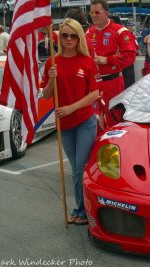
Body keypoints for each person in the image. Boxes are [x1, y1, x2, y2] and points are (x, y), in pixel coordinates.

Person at [41, 19, 101, 225]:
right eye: (64, 35)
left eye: (73, 35)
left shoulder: (87, 61)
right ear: (59, 38)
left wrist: (71, 108)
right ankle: (80, 208)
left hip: (84, 120)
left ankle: (83, 211)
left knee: (80, 167)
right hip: (64, 124)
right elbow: (47, 95)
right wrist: (50, 79)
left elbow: (95, 93)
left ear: (79, 38)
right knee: (75, 170)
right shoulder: (51, 62)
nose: (68, 39)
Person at [86, 0, 136, 129]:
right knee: (94, 121)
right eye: (91, 12)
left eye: (97, 12)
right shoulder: (89, 32)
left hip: (112, 83)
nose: (93, 15)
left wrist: (107, 60)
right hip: (92, 85)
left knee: (115, 120)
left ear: (107, 13)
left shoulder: (120, 31)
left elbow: (130, 56)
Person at [122, 21, 141, 88]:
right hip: (127, 60)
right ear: (126, 27)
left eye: (132, 26)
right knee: (128, 79)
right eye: (130, 26)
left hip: (131, 59)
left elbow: (135, 45)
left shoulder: (131, 34)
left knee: (131, 78)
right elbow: (130, 47)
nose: (132, 28)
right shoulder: (125, 35)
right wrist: (136, 51)